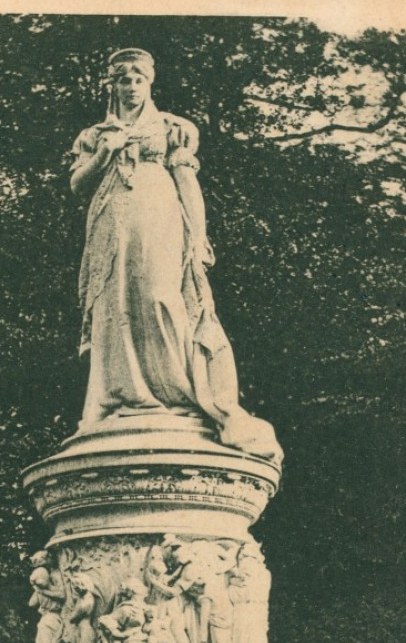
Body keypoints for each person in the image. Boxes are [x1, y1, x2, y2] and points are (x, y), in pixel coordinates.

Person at [69, 48, 282, 462]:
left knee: (159, 297)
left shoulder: (171, 128)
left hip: (159, 215)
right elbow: (79, 185)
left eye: (138, 79)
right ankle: (122, 396)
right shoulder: (94, 135)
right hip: (110, 220)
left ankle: (178, 394)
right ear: (111, 85)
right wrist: (104, 153)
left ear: (149, 83)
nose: (130, 86)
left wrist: (199, 237)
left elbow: (187, 183)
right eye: (122, 79)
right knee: (116, 305)